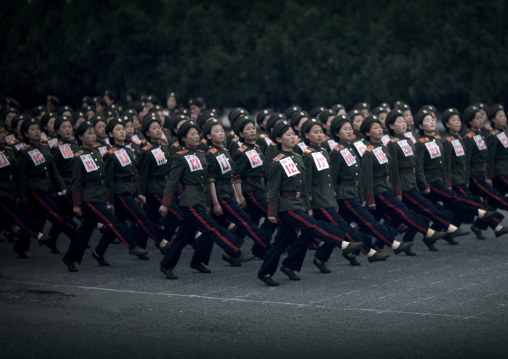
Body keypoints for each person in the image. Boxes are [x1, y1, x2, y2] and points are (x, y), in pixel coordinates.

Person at [258, 120, 363, 286]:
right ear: (278, 139)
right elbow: (272, 189)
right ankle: (342, 243)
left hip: (298, 204)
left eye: (293, 134)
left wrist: (307, 206)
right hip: (287, 207)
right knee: (313, 226)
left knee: (281, 242)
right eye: (288, 135)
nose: (293, 137)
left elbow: (304, 186)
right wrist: (271, 212)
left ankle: (276, 269)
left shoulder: (298, 158)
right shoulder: (277, 161)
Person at [158, 120, 253, 280]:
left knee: (183, 236)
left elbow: (208, 181)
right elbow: (172, 183)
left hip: (200, 200)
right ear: (183, 138)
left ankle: (167, 264)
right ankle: (234, 250)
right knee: (212, 228)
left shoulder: (202, 155)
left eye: (197, 133)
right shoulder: (179, 157)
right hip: (189, 201)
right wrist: (165, 204)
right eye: (192, 134)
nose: (196, 137)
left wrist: (210, 202)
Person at [300, 117, 388, 272]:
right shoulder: (318, 153)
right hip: (326, 199)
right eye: (345, 129)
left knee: (333, 229)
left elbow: (356, 176)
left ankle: (318, 258)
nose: (320, 135)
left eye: (321, 132)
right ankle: (371, 250)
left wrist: (359, 196)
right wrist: (310, 203)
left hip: (332, 198)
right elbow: (324, 180)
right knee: (341, 227)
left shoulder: (337, 150)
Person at [62, 121, 142, 272]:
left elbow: (104, 179)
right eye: (89, 133)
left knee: (84, 231)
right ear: (80, 136)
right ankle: (132, 244)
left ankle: (69, 257)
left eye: (94, 133)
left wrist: (107, 199)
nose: (93, 136)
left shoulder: (97, 153)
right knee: (113, 221)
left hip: (99, 196)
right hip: (89, 198)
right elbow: (76, 183)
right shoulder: (78, 156)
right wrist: (77, 204)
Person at [329, 115, 412, 256]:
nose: (349, 132)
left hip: (353, 193)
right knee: (368, 221)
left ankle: (321, 257)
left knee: (343, 228)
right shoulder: (337, 152)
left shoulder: (351, 149)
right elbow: (332, 178)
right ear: (337, 133)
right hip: (344, 195)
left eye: (350, 129)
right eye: (345, 129)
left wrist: (361, 197)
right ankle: (390, 244)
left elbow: (359, 176)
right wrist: (332, 200)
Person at [361, 115, 447, 251]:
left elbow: (392, 171)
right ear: (367, 133)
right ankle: (427, 231)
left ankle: (370, 245)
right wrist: (370, 199)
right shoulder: (369, 152)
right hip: (378, 190)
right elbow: (366, 177)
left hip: (387, 188)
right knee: (401, 211)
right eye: (375, 128)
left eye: (379, 127)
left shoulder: (383, 148)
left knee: (376, 221)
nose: (379, 130)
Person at [203, 118, 271, 259]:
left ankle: (201, 259)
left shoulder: (227, 151)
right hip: (222, 194)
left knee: (215, 227)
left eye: (222, 130)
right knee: (245, 220)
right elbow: (213, 180)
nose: (221, 133)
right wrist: (218, 201)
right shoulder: (212, 154)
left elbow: (232, 175)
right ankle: (266, 247)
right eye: (217, 131)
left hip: (231, 192)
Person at [15, 117, 77, 258]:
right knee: (54, 211)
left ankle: (20, 246)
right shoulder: (24, 152)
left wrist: (60, 187)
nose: (36, 132)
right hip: (34, 189)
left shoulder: (44, 147)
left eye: (38, 129)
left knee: (36, 219)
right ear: (25, 133)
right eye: (32, 130)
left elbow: (53, 170)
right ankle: (74, 231)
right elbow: (20, 176)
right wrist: (21, 195)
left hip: (46, 186)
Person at [440, 108, 507, 238]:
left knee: (460, 209)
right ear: (470, 122)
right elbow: (459, 163)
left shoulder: (477, 136)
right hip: (466, 178)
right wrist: (465, 180)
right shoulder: (465, 138)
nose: (481, 120)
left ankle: (448, 232)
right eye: (477, 118)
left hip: (472, 175)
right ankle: (496, 226)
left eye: (458, 120)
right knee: (476, 201)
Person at [0, 119, 51, 258]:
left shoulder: (9, 150)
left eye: (3, 132)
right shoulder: (20, 150)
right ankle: (38, 234)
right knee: (19, 215)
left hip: (11, 190)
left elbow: (16, 174)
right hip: (2, 192)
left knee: (27, 216)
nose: (3, 135)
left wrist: (17, 193)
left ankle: (19, 244)